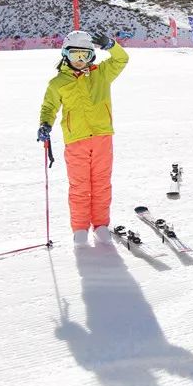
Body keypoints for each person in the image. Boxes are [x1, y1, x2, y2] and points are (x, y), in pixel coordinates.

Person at [38, 30, 129, 246]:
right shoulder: (57, 83)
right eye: (75, 55)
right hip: (76, 140)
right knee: (79, 186)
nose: (80, 61)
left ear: (92, 56)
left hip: (102, 137)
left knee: (101, 184)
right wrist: (45, 123)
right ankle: (80, 228)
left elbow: (122, 59)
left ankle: (101, 226)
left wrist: (111, 45)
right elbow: (49, 107)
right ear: (65, 55)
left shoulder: (101, 74)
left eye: (85, 56)